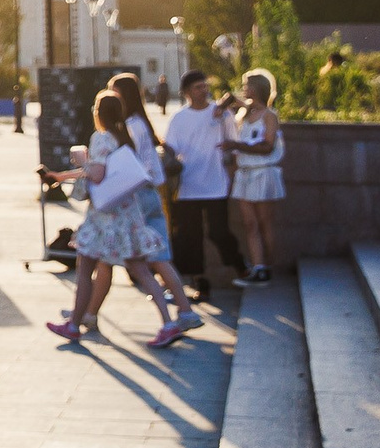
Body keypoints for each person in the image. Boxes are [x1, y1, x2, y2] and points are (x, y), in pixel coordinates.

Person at [43, 91, 199, 346]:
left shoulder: (101, 137)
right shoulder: (124, 137)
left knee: (85, 269)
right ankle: (169, 323)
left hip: (104, 218)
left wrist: (82, 159)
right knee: (141, 269)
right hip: (128, 214)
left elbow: (96, 174)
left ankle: (74, 325)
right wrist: (62, 176)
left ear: (98, 112)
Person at [111, 73, 204, 324]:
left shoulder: (129, 125)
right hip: (153, 190)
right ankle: (184, 311)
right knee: (159, 256)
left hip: (140, 195)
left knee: (132, 260)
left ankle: (84, 316)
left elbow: (128, 163)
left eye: (114, 93)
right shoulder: (140, 121)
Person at [165, 70, 246, 297]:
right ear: (187, 92)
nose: (204, 90)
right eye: (198, 87)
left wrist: (232, 172)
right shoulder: (179, 118)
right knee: (190, 236)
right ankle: (200, 283)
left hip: (216, 183)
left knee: (219, 232)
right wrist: (169, 162)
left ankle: (241, 267)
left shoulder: (221, 114)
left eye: (205, 86)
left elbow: (234, 144)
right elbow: (171, 147)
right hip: (188, 185)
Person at [230, 70, 285, 282]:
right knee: (250, 224)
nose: (244, 89)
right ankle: (258, 264)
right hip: (245, 173)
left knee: (264, 222)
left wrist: (237, 145)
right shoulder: (244, 115)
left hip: (262, 172)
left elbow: (267, 146)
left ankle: (268, 265)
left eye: (247, 85)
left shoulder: (269, 116)